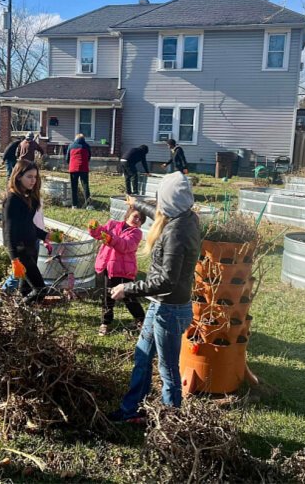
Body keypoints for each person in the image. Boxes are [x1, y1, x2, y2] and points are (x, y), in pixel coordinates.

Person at [107, 172, 200, 423]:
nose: (158, 204)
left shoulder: (175, 234)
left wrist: (128, 288)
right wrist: (135, 204)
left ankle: (171, 427)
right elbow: (156, 211)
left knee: (168, 371)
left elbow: (166, 281)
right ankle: (131, 410)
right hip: (161, 307)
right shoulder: (186, 217)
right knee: (142, 358)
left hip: (169, 310)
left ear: (168, 202)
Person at [88, 206, 147, 336]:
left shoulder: (136, 233)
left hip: (123, 270)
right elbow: (100, 234)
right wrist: (94, 228)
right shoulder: (112, 224)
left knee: (129, 297)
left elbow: (125, 246)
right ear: (128, 215)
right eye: (135, 216)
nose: (137, 220)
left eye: (140, 219)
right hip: (107, 267)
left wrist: (110, 238)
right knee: (107, 297)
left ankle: (142, 320)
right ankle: (105, 323)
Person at [2, 160, 51, 303]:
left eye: (35, 177)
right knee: (40, 289)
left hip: (31, 246)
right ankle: (19, 310)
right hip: (20, 250)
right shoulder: (12, 200)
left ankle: (24, 316)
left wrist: (45, 235)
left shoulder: (27, 197)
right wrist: (14, 259)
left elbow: (27, 224)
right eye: (29, 177)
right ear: (18, 176)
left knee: (26, 290)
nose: (33, 181)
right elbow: (9, 230)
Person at [65, 134, 92, 208]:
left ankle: (74, 205)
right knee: (85, 186)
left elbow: (67, 158)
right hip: (84, 168)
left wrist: (70, 163)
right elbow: (89, 157)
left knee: (74, 187)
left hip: (73, 168)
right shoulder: (86, 146)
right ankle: (88, 205)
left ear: (75, 139)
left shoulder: (71, 146)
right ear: (83, 139)